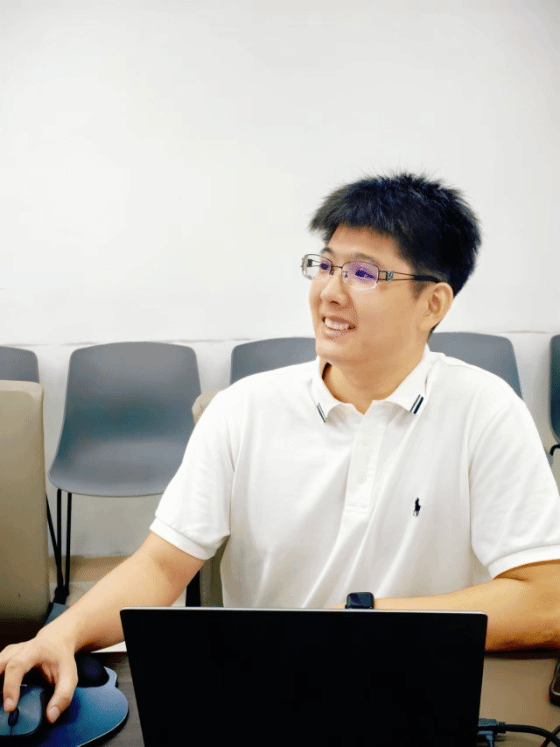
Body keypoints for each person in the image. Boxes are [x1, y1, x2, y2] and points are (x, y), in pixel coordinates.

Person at [2, 172, 560, 724]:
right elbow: (162, 565)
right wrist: (61, 634)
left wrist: (369, 622)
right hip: (261, 698)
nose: (330, 291)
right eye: (326, 265)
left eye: (363, 273)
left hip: (417, 698)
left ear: (432, 304)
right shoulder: (243, 410)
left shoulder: (486, 411)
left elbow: (546, 600)